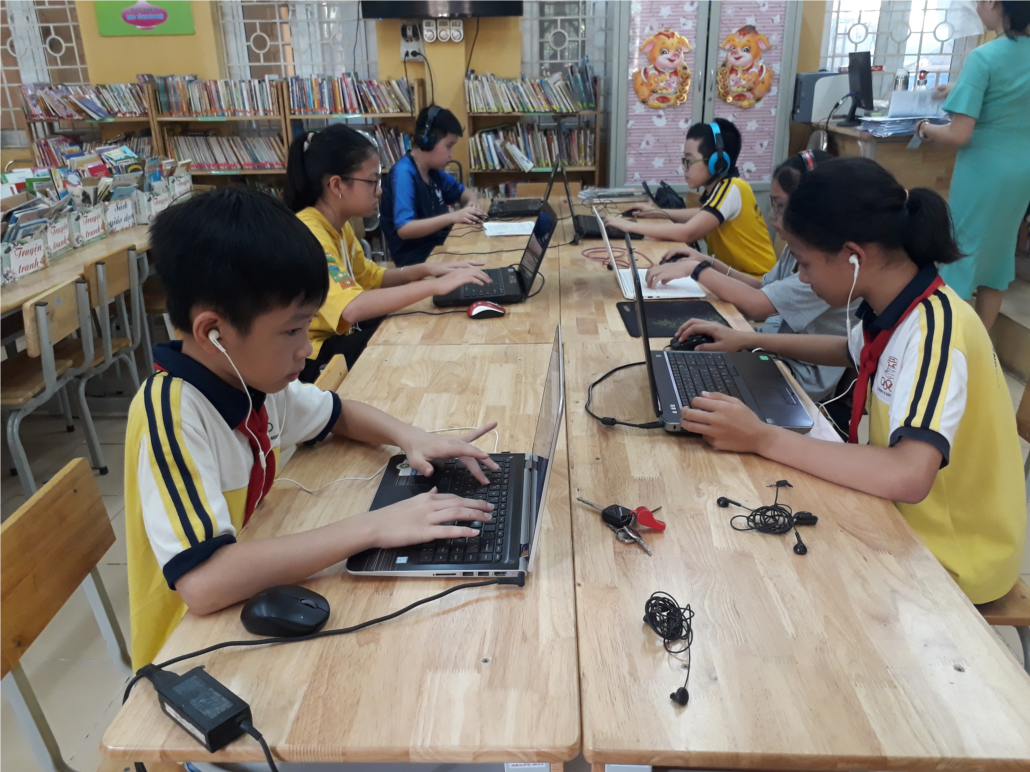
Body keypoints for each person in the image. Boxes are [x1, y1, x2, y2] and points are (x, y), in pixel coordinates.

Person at [125, 187, 500, 668]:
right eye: (291, 330)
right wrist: (373, 527)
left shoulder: (250, 380)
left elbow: (336, 412)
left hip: (248, 597)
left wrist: (412, 437)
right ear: (213, 333)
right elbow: (203, 582)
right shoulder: (172, 415)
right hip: (189, 652)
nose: (306, 348)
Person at [675, 157, 1025, 605]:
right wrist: (747, 339)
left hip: (952, 555)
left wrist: (763, 437)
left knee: (757, 579)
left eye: (805, 264)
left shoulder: (935, 331)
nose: (802, 278)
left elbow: (909, 474)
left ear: (853, 256)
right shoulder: (896, 306)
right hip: (897, 516)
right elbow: (849, 350)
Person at [644, 149, 855, 411]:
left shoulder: (830, 264)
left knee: (685, 392)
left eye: (780, 206)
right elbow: (764, 288)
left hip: (798, 376)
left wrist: (698, 270)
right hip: (772, 350)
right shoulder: (799, 249)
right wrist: (710, 263)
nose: (772, 216)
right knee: (672, 370)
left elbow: (757, 305)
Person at [285, 125, 491, 379]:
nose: (379, 190)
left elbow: (371, 277)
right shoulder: (310, 233)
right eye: (372, 181)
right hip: (312, 356)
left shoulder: (338, 224)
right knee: (411, 339)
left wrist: (427, 269)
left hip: (337, 336)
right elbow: (351, 308)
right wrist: (434, 286)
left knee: (418, 320)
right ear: (337, 185)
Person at [918, 0, 1030, 331]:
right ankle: (981, 343)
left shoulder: (983, 57)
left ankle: (949, 340)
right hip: (1020, 173)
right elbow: (1011, 94)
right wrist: (958, 88)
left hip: (983, 172)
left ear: (993, 2)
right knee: (998, 258)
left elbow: (959, 133)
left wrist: (925, 128)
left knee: (960, 253)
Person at [603, 118, 777, 278]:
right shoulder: (727, 188)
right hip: (737, 278)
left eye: (689, 161)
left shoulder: (732, 188)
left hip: (756, 282)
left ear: (717, 162)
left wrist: (629, 227)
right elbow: (702, 214)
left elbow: (688, 233)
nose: (684, 168)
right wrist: (656, 212)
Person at [380, 105, 487, 266]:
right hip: (417, 262)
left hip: (438, 250)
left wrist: (472, 202)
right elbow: (405, 229)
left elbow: (466, 193)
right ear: (427, 140)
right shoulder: (404, 174)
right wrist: (453, 216)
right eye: (448, 146)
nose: (451, 154)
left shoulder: (433, 172)